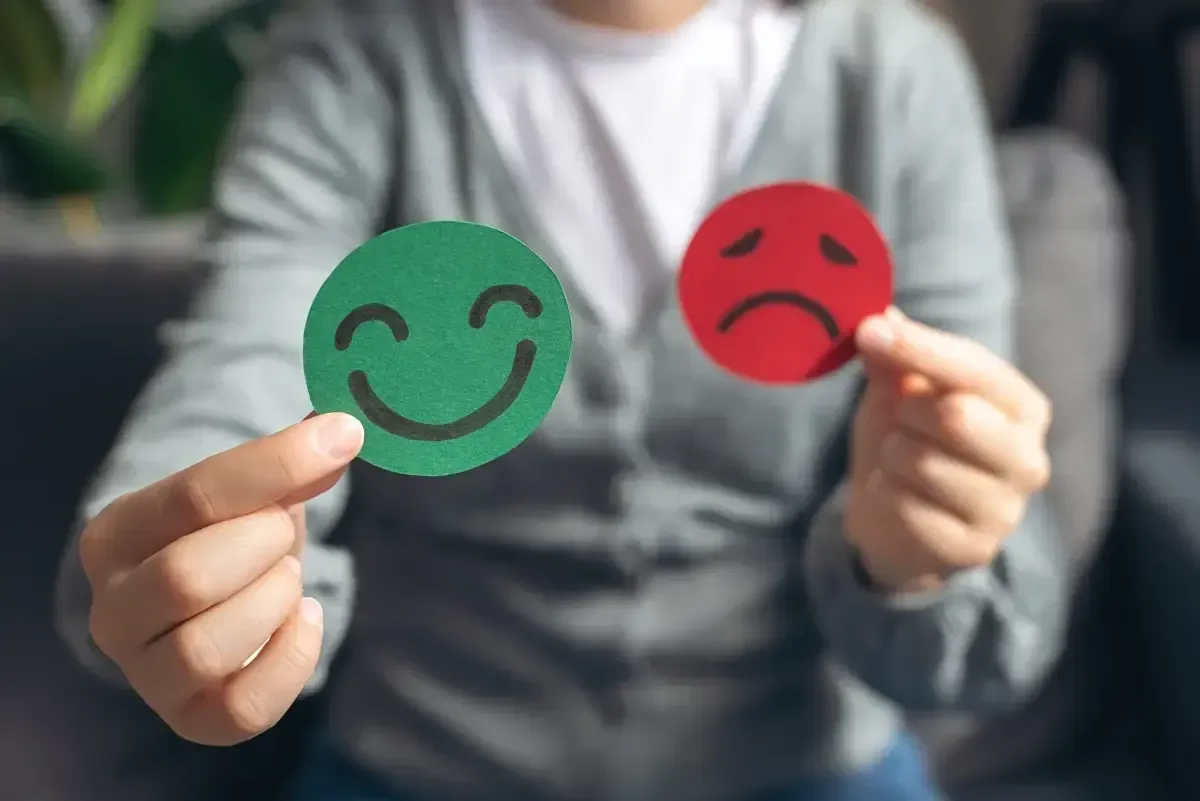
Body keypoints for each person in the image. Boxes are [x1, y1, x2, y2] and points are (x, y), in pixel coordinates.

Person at [55, 0, 1067, 799]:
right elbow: (246, 360)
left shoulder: (893, 74)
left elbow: (995, 584)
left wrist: (918, 553)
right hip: (418, 765)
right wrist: (180, 548)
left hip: (805, 764)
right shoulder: (354, 55)